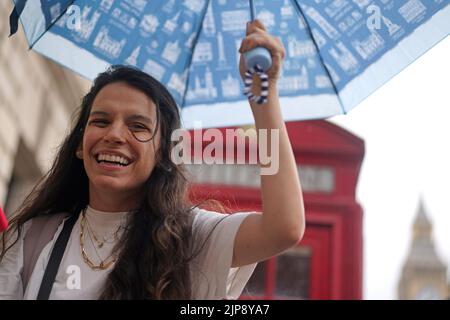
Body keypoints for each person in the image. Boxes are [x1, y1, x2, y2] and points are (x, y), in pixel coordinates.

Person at [0, 20, 305, 300]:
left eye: (138, 126)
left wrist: (263, 97)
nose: (115, 135)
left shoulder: (191, 239)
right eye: (101, 121)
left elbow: (284, 227)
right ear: (80, 144)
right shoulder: (30, 238)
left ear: (162, 154)